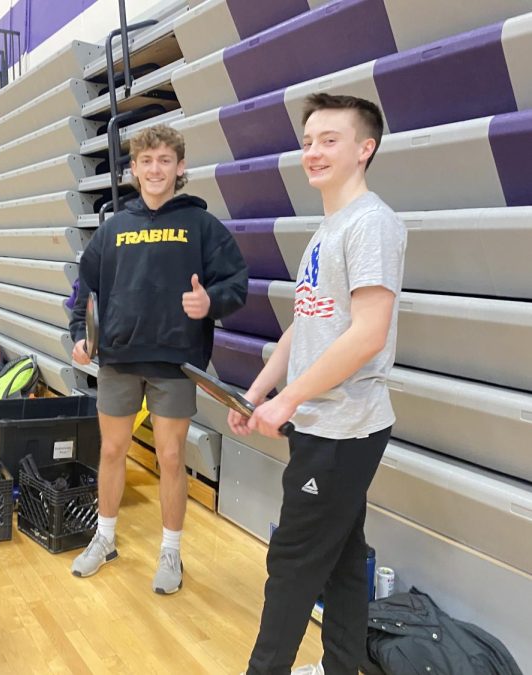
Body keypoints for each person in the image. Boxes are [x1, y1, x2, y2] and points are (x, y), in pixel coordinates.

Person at [228, 93, 406, 675]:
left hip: (343, 428)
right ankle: (342, 668)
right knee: (342, 559)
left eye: (330, 139)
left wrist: (289, 399)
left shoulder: (371, 223)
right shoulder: (328, 228)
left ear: (365, 149)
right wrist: (257, 392)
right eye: (308, 141)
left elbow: (368, 334)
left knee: (293, 561)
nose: (314, 151)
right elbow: (304, 327)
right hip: (319, 423)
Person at [69, 124, 248, 594]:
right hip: (119, 359)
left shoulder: (203, 227)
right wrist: (78, 333)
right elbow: (85, 288)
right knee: (111, 450)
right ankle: (104, 538)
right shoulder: (113, 229)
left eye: (164, 161)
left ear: (180, 167)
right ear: (133, 169)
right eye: (146, 161)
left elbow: (237, 284)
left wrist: (210, 302)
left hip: (175, 362)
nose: (155, 170)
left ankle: (171, 551)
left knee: (170, 457)